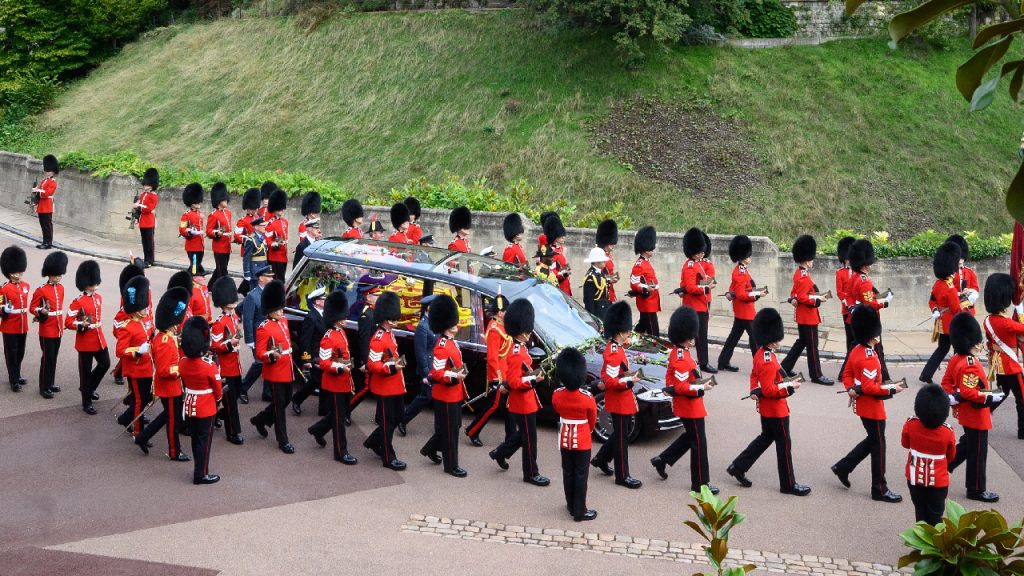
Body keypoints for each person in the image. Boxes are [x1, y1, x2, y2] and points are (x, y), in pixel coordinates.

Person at [726, 308, 811, 496]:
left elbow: (754, 378)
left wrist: (755, 389)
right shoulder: (767, 359)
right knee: (784, 445)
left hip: (768, 408)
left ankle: (738, 466)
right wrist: (790, 387)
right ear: (772, 338)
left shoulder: (763, 353)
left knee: (766, 438)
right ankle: (788, 484)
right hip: (775, 410)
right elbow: (769, 390)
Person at [831, 305, 904, 503]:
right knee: (879, 446)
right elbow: (871, 387)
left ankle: (843, 467)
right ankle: (879, 488)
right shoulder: (870, 357)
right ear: (874, 334)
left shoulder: (856, 349)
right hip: (872, 408)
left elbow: (847, 374)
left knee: (873, 440)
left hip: (862, 406)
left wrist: (850, 388)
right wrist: (891, 389)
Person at [651, 306, 718, 494]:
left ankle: (662, 460)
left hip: (692, 405)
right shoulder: (680, 356)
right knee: (699, 444)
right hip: (690, 407)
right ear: (686, 335)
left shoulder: (683, 352)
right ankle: (700, 485)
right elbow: (681, 387)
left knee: (690, 438)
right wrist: (701, 387)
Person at [489, 298, 549, 487]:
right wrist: (534, 379)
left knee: (524, 435)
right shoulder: (517, 352)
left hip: (526, 400)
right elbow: (515, 381)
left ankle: (500, 452)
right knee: (530, 439)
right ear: (523, 332)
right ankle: (531, 473)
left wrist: (532, 375)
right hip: (522, 402)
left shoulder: (521, 348)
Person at [944, 312, 1003, 502]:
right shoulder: (970, 364)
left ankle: (944, 465)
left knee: (968, 445)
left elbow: (947, 383)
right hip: (976, 415)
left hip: (966, 414)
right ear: (972, 341)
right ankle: (976, 489)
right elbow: (969, 392)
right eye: (978, 341)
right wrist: (989, 397)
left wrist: (954, 397)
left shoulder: (956, 359)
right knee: (978, 453)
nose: (980, 345)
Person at [590, 301, 643, 489]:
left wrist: (628, 376)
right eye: (627, 329)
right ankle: (622, 475)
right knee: (621, 439)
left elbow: (617, 375)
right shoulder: (613, 351)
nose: (629, 332)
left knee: (622, 434)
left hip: (624, 399)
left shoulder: (618, 348)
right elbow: (612, 381)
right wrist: (630, 381)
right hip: (619, 400)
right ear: (620, 330)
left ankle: (601, 459)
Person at [135, 286, 191, 461]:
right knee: (173, 422)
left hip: (168, 386)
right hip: (170, 387)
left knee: (167, 416)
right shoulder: (166, 341)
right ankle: (175, 452)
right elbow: (165, 369)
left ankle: (143, 437)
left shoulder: (163, 337)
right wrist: (182, 369)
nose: (177, 328)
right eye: (176, 325)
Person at [420, 294, 469, 477]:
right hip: (446, 395)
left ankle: (430, 448)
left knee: (452, 427)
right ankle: (451, 465)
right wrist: (455, 376)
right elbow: (438, 373)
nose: (457, 325)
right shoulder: (441, 346)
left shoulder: (451, 342)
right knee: (450, 433)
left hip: (454, 393)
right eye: (453, 323)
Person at [308, 290, 358, 464]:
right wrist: (339, 367)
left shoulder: (341, 332)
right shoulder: (328, 337)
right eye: (342, 316)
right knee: (339, 421)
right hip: (335, 383)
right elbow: (324, 362)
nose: (345, 319)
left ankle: (318, 430)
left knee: (340, 413)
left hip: (344, 381)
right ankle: (340, 452)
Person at [362, 291, 408, 470]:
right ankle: (388, 457)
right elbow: (372, 365)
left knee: (398, 417)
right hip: (385, 387)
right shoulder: (378, 338)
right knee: (387, 423)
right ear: (387, 318)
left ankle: (373, 441)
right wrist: (390, 367)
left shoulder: (389, 333)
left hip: (395, 385)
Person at [250, 280, 297, 454]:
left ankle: (260, 420)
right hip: (276, 370)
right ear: (270, 310)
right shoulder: (264, 328)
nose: (281, 311)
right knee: (279, 407)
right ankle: (282, 440)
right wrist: (272, 356)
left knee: (286, 400)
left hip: (287, 368)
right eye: (278, 309)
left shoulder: (283, 320)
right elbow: (260, 353)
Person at [551, 347, 598, 522]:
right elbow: (592, 419)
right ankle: (580, 511)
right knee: (580, 475)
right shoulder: (587, 397)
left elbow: (557, 410)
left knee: (568, 472)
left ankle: (571, 505)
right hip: (582, 439)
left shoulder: (557, 395)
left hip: (564, 438)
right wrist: (588, 431)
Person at [779, 234, 833, 385]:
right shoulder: (803, 275)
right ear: (807, 259)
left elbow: (794, 294)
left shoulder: (801, 273)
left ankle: (784, 368)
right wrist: (818, 298)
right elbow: (802, 297)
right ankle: (816, 375)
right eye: (811, 259)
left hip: (805, 315)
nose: (812, 261)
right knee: (813, 346)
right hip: (807, 317)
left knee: (801, 343)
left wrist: (808, 297)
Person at [902, 385, 957, 525]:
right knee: (936, 516)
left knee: (920, 512)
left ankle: (921, 543)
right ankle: (934, 544)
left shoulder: (910, 424)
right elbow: (951, 456)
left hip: (915, 478)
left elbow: (905, 444)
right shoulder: (947, 432)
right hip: (938, 481)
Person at [464, 294, 513, 446]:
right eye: (505, 310)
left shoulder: (502, 326)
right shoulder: (494, 330)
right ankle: (473, 431)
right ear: (500, 312)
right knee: (494, 406)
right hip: (498, 375)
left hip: (507, 373)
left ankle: (510, 437)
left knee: (508, 407)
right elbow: (492, 358)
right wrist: (498, 379)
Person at [180, 316, 223, 485]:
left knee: (195, 438)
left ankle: (199, 469)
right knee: (204, 442)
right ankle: (201, 474)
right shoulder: (208, 365)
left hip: (190, 404)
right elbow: (217, 389)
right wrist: (219, 400)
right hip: (206, 406)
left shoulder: (183, 362)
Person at [982, 273, 1024, 439]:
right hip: (1010, 364)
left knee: (1002, 392)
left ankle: (984, 411)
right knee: (1022, 398)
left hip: (997, 364)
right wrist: (1020, 308)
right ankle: (1022, 431)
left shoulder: (988, 320)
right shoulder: (1005, 322)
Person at [920, 242, 967, 384]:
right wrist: (966, 300)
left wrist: (935, 310)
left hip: (941, 322)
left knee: (942, 349)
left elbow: (932, 301)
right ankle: (954, 378)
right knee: (959, 351)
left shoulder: (938, 284)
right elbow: (956, 309)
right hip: (952, 324)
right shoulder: (950, 287)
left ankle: (926, 374)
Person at [66, 260, 109, 415]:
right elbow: (68, 321)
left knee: (105, 363)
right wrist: (81, 324)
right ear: (85, 283)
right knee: (85, 372)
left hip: (99, 337)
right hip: (85, 341)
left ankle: (88, 388)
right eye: (93, 282)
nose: (96, 285)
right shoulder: (78, 301)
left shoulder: (99, 297)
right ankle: (86, 402)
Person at [848, 239, 893, 382]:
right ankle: (884, 379)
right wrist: (884, 302)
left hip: (860, 318)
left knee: (861, 348)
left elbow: (855, 296)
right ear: (865, 262)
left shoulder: (854, 277)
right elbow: (869, 304)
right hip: (869, 320)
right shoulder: (864, 280)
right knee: (878, 350)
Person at [717, 235, 764, 371]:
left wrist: (729, 293)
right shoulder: (740, 272)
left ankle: (723, 362)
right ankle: (760, 368)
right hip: (745, 312)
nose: (750, 257)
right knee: (756, 339)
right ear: (743, 256)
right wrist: (757, 294)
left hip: (742, 311)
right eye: (748, 255)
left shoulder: (740, 270)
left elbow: (734, 288)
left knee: (734, 337)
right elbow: (742, 294)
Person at [116, 275, 153, 437]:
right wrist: (137, 351)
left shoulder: (143, 323)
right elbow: (120, 350)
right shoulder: (127, 327)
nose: (146, 309)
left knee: (146, 399)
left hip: (147, 367)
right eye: (143, 307)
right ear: (136, 309)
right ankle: (139, 432)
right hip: (135, 370)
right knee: (139, 401)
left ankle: (125, 419)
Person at [210, 276, 244, 445]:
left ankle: (217, 415)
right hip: (225, 367)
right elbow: (215, 346)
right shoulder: (219, 323)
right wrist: (230, 344)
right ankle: (233, 432)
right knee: (231, 403)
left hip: (235, 365)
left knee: (235, 396)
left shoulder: (233, 318)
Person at [398, 295, 437, 437]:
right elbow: (420, 352)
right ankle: (403, 419)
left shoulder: (434, 322)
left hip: (437, 366)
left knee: (436, 397)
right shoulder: (422, 326)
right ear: (429, 308)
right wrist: (426, 373)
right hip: (428, 366)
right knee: (426, 396)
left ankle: (440, 428)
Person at [31, 251, 67, 399]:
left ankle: (50, 383)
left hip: (57, 327)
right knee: (47, 357)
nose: (58, 278)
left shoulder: (61, 288)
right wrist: (41, 311)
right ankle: (43, 386)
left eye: (60, 275)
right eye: (56, 275)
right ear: (50, 274)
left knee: (54, 357)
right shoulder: (41, 290)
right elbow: (32, 307)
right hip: (46, 329)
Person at [679, 228, 716, 373]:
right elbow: (690, 287)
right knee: (700, 336)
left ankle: (698, 361)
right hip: (695, 306)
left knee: (696, 335)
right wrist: (706, 287)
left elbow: (705, 280)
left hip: (702, 304)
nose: (702, 254)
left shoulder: (698, 263)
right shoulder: (689, 266)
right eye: (700, 252)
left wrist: (707, 284)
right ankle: (703, 363)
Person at [239, 263, 275, 403]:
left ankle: (266, 392)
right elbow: (247, 319)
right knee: (259, 363)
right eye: (268, 276)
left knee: (269, 362)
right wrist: (249, 339)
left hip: (269, 334)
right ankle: (242, 388)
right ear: (261, 278)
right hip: (257, 335)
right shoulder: (252, 296)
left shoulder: (270, 292)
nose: (271, 279)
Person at [292, 286, 328, 417]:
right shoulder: (311, 317)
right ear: (317, 301)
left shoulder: (324, 314)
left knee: (323, 381)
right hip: (314, 355)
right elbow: (305, 340)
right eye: (323, 299)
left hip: (324, 354)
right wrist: (306, 359)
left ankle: (323, 410)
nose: (325, 301)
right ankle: (297, 399)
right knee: (316, 381)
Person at [0, 246, 30, 393]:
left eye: (20, 270)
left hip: (22, 326)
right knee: (11, 353)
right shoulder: (4, 289)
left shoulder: (26, 286)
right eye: (16, 270)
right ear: (9, 272)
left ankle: (17, 374)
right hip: (10, 326)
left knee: (20, 352)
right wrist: (3, 310)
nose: (19, 273)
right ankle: (13, 380)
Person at [629, 226, 660, 336]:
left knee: (642, 326)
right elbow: (634, 283)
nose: (653, 250)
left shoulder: (646, 262)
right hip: (647, 302)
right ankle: (656, 349)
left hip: (651, 301)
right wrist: (645, 287)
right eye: (651, 248)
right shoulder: (639, 264)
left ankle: (631, 338)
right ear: (646, 250)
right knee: (653, 332)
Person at [233, 187, 260, 293]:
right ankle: (247, 291)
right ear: (248, 208)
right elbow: (237, 235)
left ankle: (243, 289)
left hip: (258, 250)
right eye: (254, 207)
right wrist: (248, 239)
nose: (256, 209)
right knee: (249, 271)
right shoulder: (242, 221)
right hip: (248, 250)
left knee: (254, 272)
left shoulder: (259, 218)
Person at [947, 234, 980, 317]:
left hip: (968, 310)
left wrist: (971, 293)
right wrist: (961, 294)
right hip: (954, 310)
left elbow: (975, 288)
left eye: (962, 257)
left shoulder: (970, 272)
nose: (960, 260)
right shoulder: (948, 273)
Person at [206, 182, 232, 285]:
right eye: (224, 199)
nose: (226, 200)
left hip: (227, 245)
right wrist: (217, 232)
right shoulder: (214, 215)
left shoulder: (228, 213)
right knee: (223, 272)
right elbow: (208, 231)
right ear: (218, 200)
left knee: (220, 268)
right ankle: (224, 289)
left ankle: (211, 286)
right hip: (219, 247)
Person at [33, 154, 59, 249]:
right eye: (46, 170)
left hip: (47, 205)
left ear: (53, 172)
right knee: (43, 225)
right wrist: (36, 189)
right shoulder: (44, 180)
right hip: (42, 205)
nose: (46, 172)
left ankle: (49, 243)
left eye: (48, 171)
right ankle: (44, 241)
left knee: (47, 225)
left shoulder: (53, 182)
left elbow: (47, 193)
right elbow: (40, 189)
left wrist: (38, 191)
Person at [835, 236, 856, 351]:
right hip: (847, 309)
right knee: (849, 336)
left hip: (857, 308)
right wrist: (848, 303)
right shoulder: (840, 273)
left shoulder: (858, 272)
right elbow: (839, 292)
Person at [136, 168, 160, 267]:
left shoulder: (153, 196)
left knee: (149, 242)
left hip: (149, 221)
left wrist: (138, 206)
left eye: (147, 184)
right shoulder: (142, 195)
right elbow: (140, 208)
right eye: (145, 184)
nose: (145, 186)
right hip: (142, 221)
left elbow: (148, 208)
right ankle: (146, 259)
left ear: (151, 186)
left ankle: (150, 260)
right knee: (144, 242)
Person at [241, 215, 269, 297]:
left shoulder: (262, 237)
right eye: (263, 225)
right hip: (255, 270)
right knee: (254, 294)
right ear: (256, 227)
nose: (265, 227)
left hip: (263, 268)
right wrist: (247, 273)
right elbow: (246, 258)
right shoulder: (251, 239)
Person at [265, 189, 290, 281]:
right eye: (279, 208)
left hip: (284, 256)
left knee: (282, 279)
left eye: (281, 208)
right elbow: (267, 241)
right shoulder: (271, 224)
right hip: (275, 257)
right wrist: (274, 244)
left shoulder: (285, 222)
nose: (281, 210)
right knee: (278, 281)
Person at [179, 183, 205, 268]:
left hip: (200, 244)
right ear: (191, 202)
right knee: (194, 266)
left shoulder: (200, 214)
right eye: (196, 200)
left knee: (197, 264)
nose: (198, 202)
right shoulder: (186, 215)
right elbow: (182, 229)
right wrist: (191, 232)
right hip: (192, 245)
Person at [544, 215, 572, 296]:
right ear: (555, 237)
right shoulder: (551, 252)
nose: (563, 237)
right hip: (559, 287)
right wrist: (565, 273)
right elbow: (552, 272)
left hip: (565, 286)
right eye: (561, 236)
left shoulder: (559, 249)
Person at [581, 247, 611, 320]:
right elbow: (589, 301)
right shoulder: (591, 277)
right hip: (597, 312)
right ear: (596, 261)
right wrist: (592, 318)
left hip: (603, 309)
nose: (605, 261)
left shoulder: (600, 272)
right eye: (602, 260)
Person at [595, 219, 618, 303]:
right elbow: (597, 276)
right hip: (602, 293)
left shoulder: (607, 255)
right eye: (611, 243)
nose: (613, 245)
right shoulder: (599, 257)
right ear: (606, 242)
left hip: (609, 291)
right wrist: (609, 280)